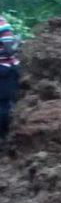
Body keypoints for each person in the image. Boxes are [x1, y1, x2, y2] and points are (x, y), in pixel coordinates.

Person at [0, 15, 20, 146]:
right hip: (4, 69)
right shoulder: (1, 23)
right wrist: (17, 42)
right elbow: (9, 51)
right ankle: (7, 139)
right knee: (5, 106)